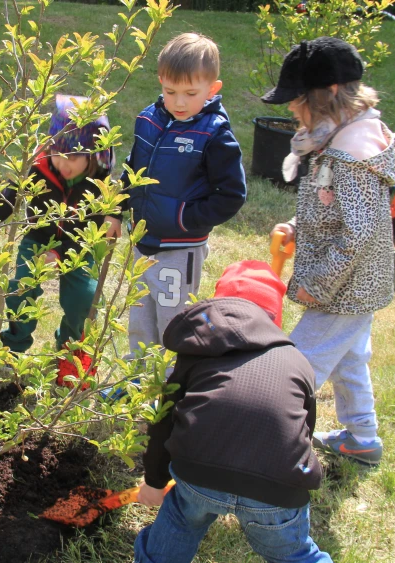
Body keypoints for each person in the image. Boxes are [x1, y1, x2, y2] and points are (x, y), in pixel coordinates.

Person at [131, 260, 334, 563]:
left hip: (199, 475)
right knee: (295, 558)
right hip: (274, 486)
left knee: (180, 523)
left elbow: (163, 422)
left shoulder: (196, 353)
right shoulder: (296, 361)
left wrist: (155, 482)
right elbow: (304, 430)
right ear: (274, 317)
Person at [264, 37, 395, 465]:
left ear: (328, 95)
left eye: (297, 99)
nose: (292, 108)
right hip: (355, 284)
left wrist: (317, 285)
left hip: (344, 288)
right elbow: (336, 210)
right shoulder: (338, 140)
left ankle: (272, 449)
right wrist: (298, 225)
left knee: (297, 367)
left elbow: (358, 234)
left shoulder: (350, 154)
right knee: (349, 360)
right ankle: (362, 438)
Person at [122, 32, 246, 378]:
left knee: (172, 322)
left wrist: (186, 218)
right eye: (170, 91)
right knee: (139, 317)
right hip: (142, 243)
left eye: (191, 94)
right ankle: (135, 382)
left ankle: (169, 388)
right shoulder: (148, 120)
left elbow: (231, 194)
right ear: (161, 81)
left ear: (212, 88)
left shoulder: (215, 134)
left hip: (179, 249)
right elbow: (132, 169)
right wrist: (117, 209)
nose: (179, 102)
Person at [0, 95, 121, 367]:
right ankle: (14, 345)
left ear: (94, 154)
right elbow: (11, 194)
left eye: (73, 157)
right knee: (20, 288)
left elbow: (115, 206)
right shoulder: (39, 167)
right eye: (57, 153)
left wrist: (62, 254)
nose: (63, 163)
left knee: (84, 299)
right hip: (39, 237)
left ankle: (69, 350)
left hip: (80, 245)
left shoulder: (100, 180)